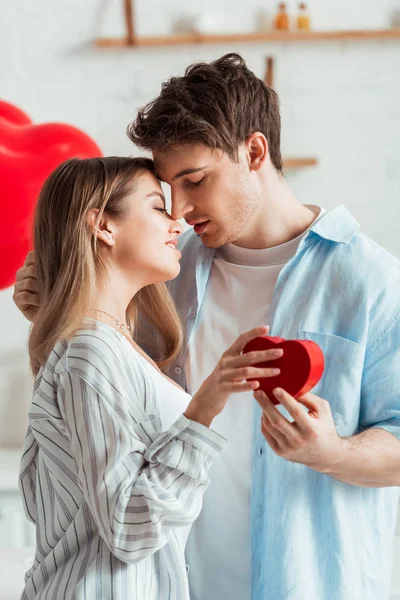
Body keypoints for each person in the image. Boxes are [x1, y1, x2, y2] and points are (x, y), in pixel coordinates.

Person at [14, 54, 400, 600]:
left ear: (255, 151)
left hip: (309, 584)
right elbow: (109, 398)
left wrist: (331, 452)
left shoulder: (371, 281)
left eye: (195, 180)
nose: (182, 208)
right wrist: (56, 307)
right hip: (175, 583)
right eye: (169, 189)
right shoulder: (171, 269)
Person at [17, 155, 280, 599]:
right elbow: (127, 527)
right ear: (103, 225)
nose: (177, 221)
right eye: (159, 207)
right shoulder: (92, 350)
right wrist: (204, 407)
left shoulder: (108, 347)